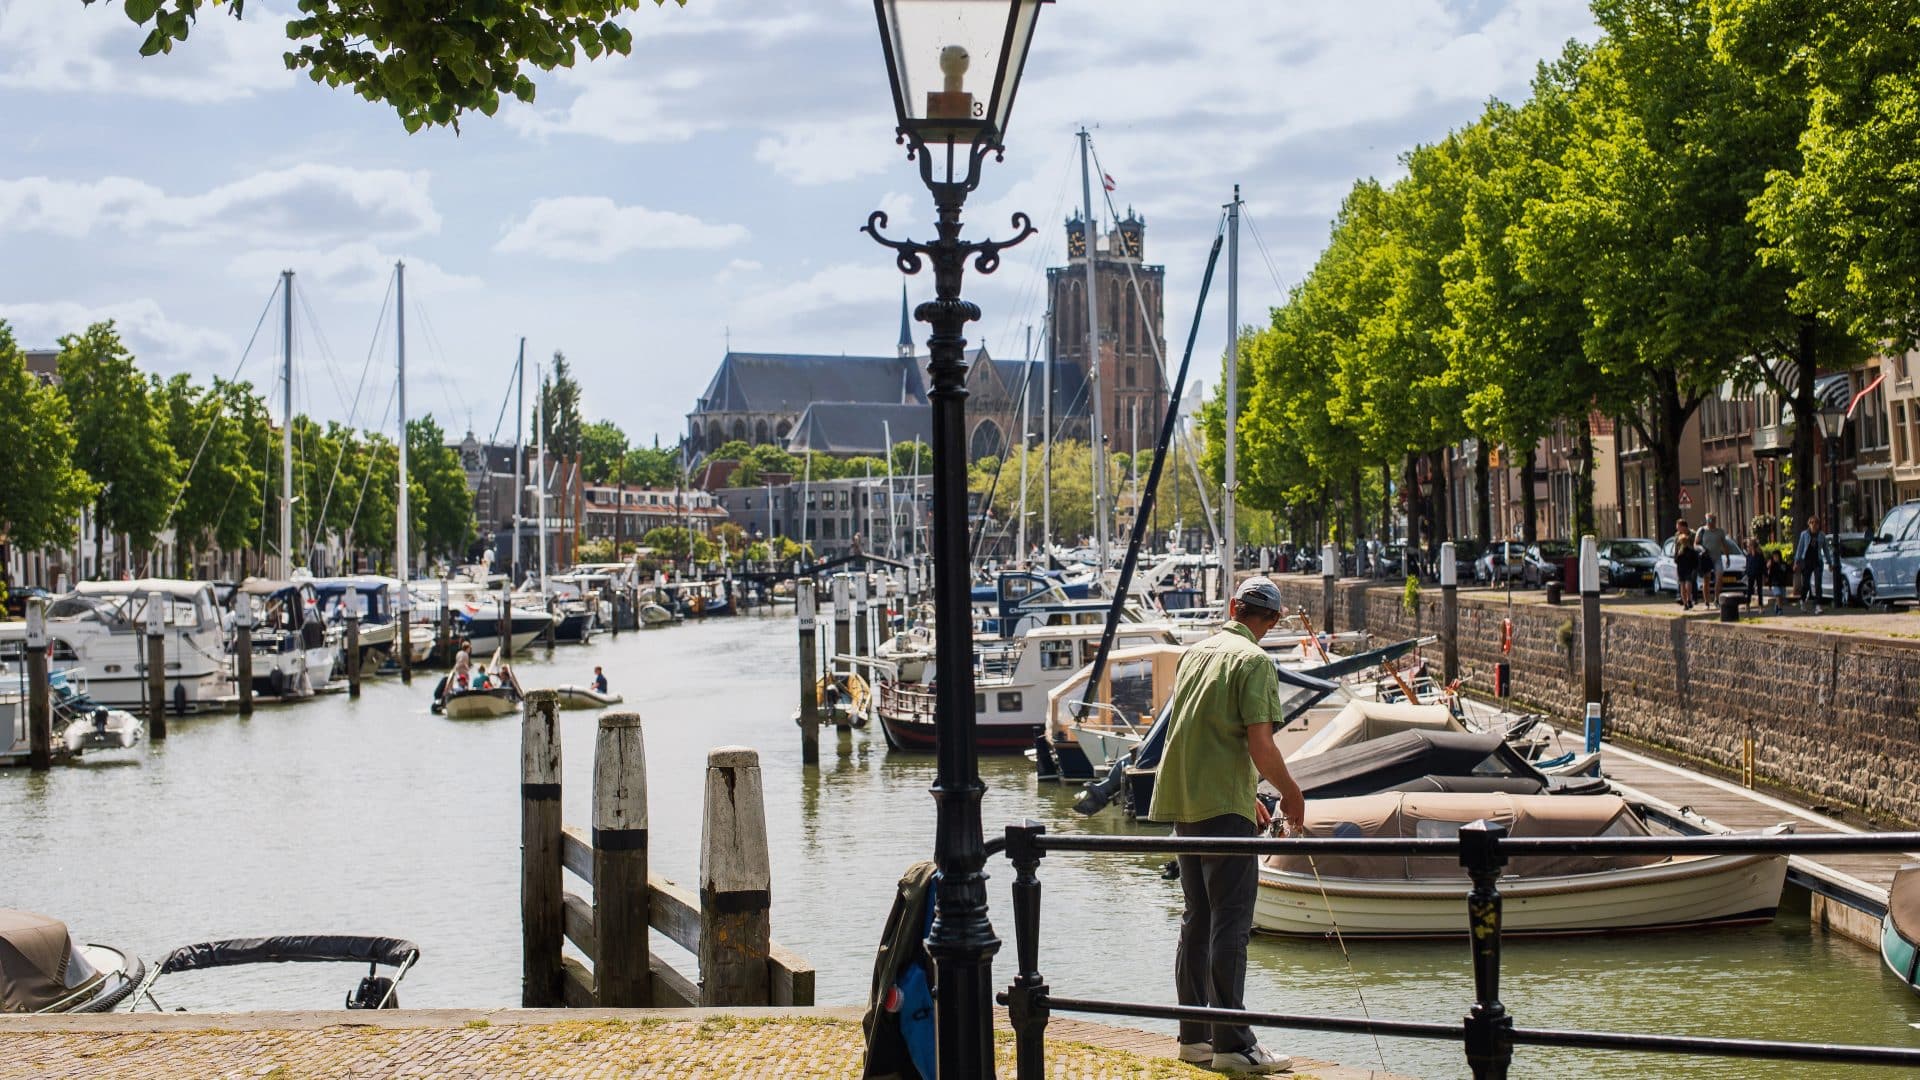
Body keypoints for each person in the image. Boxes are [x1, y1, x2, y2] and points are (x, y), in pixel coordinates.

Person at [1149, 575, 1303, 1075]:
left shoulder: (1196, 653)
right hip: (1221, 807)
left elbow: (1200, 733)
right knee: (1231, 923)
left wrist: (1246, 795)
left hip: (1184, 800)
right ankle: (1234, 1045)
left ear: (1234, 606)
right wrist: (1292, 795)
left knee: (1197, 918)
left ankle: (1194, 1038)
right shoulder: (1256, 661)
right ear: (1273, 620)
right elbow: (1260, 745)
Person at [1696, 513, 1734, 604]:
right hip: (1706, 558)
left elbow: (1724, 545)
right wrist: (1702, 549)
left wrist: (1728, 557)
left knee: (1719, 577)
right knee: (1707, 579)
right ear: (1706, 520)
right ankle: (1707, 601)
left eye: (1713, 520)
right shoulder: (1702, 530)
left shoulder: (1720, 532)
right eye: (1709, 520)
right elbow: (1696, 543)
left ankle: (1716, 599)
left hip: (1717, 558)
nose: (1711, 522)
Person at [1794, 515, 1825, 614]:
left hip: (1817, 561)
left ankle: (1818, 605)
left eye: (1816, 523)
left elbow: (1826, 550)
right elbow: (1800, 549)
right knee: (1806, 584)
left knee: (1818, 584)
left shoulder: (1821, 535)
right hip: (1806, 561)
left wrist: (1830, 562)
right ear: (1809, 524)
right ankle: (1802, 600)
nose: (1814, 525)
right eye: (1812, 523)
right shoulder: (1804, 534)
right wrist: (1796, 562)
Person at [1673, 519, 1698, 610]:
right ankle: (1688, 601)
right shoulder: (1677, 535)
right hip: (1686, 561)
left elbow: (1676, 549)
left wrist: (1676, 557)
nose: (1677, 529)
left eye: (1678, 527)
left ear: (1683, 526)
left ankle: (1686, 603)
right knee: (1687, 581)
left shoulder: (1692, 534)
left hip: (1684, 561)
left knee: (1684, 582)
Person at [1742, 537, 1764, 606]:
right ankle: (1748, 604)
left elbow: (1762, 564)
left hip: (1758, 573)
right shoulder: (1748, 555)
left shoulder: (1759, 555)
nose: (1748, 547)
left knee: (1759, 590)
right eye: (1748, 546)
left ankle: (1760, 605)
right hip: (1751, 574)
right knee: (1749, 590)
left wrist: (1765, 574)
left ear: (1753, 546)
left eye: (1749, 546)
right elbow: (1748, 564)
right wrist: (1746, 573)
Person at [1766, 549, 1789, 615]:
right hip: (1775, 584)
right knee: (1778, 595)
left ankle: (1777, 605)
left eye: (1777, 556)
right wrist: (1769, 585)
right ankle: (1780, 610)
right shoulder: (1772, 566)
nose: (1775, 558)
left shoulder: (1783, 564)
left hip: (1782, 583)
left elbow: (1788, 570)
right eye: (1774, 556)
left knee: (1782, 598)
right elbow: (1770, 575)